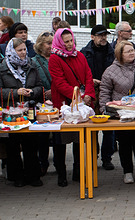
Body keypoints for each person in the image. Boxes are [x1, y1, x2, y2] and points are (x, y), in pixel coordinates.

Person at [100, 41, 135, 186]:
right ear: (120, 54)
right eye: (128, 51)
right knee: (125, 143)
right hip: (121, 114)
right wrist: (104, 109)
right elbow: (105, 91)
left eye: (133, 50)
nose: (132, 53)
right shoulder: (111, 71)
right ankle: (128, 172)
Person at [49, 28, 95, 183]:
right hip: (63, 102)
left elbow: (88, 76)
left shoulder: (79, 55)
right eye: (66, 42)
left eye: (71, 41)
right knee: (61, 140)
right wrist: (80, 97)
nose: (69, 44)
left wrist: (88, 94)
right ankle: (61, 173)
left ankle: (77, 170)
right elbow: (60, 83)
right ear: (60, 42)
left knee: (78, 138)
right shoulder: (54, 58)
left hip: (81, 102)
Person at [1, 38, 43, 187]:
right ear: (12, 51)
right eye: (20, 50)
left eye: (25, 49)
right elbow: (0, 91)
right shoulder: (3, 67)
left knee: (31, 144)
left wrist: (32, 92)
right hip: (12, 113)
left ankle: (33, 176)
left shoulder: (31, 65)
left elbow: (39, 86)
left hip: (29, 110)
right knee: (13, 146)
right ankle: (17, 176)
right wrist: (15, 92)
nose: (24, 53)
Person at [80, 25, 115, 171]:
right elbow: (80, 73)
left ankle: (107, 158)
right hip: (91, 92)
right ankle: (93, 155)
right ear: (92, 36)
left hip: (108, 92)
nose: (103, 38)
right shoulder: (84, 53)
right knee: (92, 127)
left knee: (109, 128)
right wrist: (90, 81)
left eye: (105, 35)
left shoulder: (112, 52)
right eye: (100, 35)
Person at [32, 32, 58, 180]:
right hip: (42, 102)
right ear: (41, 45)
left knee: (58, 134)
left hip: (57, 100)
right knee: (42, 135)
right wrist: (43, 92)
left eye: (52, 43)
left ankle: (58, 163)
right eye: (48, 43)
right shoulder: (34, 61)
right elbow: (33, 81)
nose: (50, 46)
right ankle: (43, 162)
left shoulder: (57, 59)